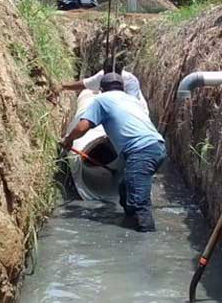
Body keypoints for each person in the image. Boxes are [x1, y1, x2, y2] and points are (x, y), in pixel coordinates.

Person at [61, 73, 166, 232]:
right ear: (122, 88)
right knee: (124, 188)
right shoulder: (131, 100)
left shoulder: (101, 100)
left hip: (140, 152)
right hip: (156, 147)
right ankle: (130, 222)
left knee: (139, 203)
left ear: (101, 89)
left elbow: (83, 126)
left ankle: (146, 238)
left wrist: (68, 140)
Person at [61, 59, 149, 114]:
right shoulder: (102, 75)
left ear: (120, 72)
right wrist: (64, 87)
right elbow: (84, 84)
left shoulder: (130, 81)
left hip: (137, 113)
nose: (109, 79)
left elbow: (131, 105)